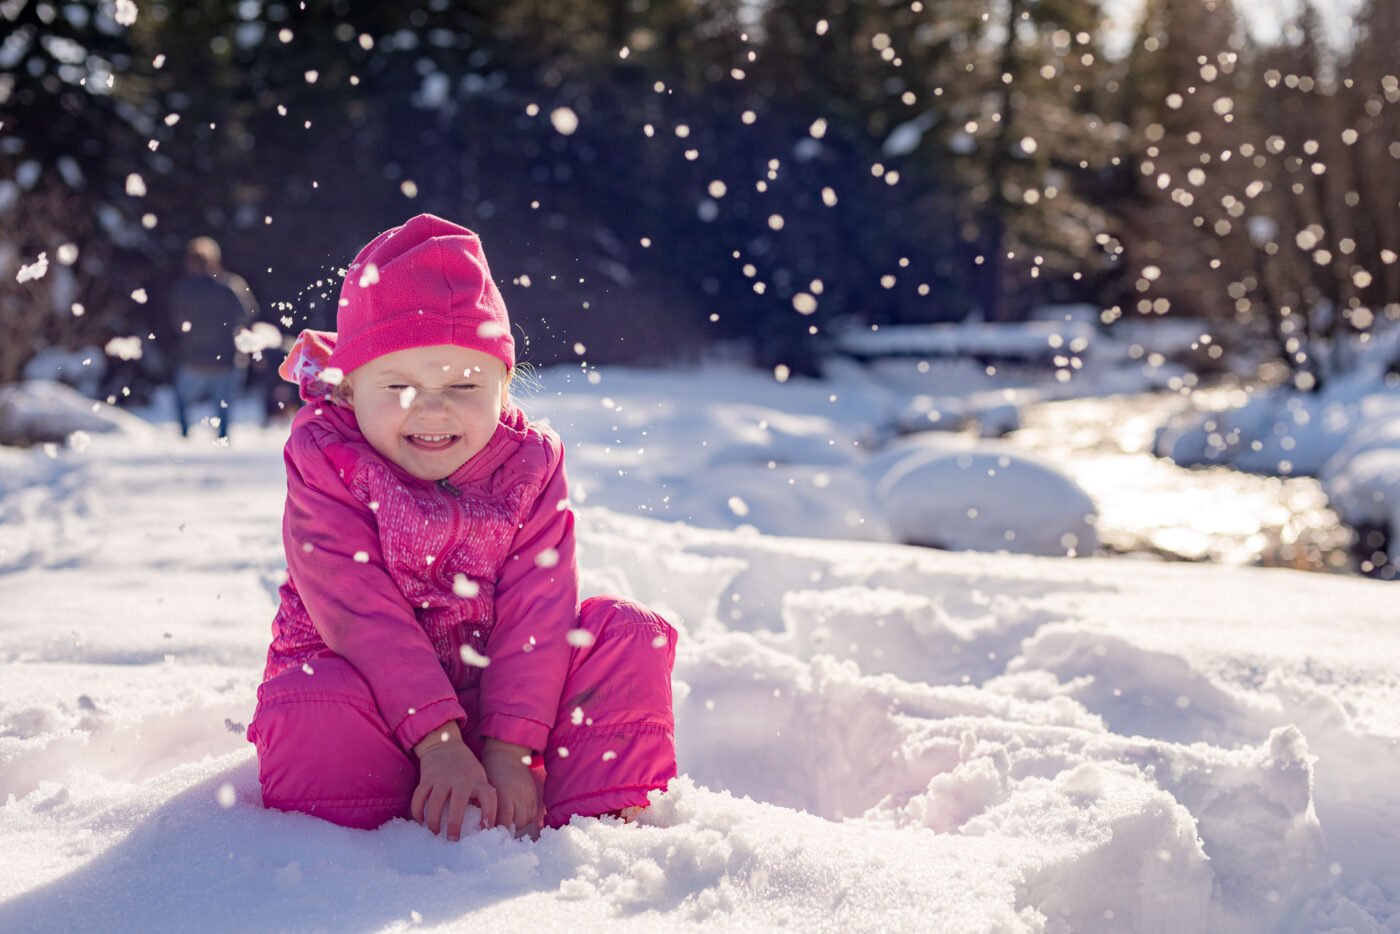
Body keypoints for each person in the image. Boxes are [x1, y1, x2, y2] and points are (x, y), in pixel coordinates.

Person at [246, 214, 678, 840]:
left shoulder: (530, 464)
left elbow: (539, 608)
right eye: (397, 384)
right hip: (370, 702)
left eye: (464, 383)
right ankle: (353, 848)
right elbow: (359, 612)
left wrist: (509, 748)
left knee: (626, 632)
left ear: (504, 386)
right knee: (312, 698)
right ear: (349, 389)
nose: (431, 406)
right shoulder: (327, 458)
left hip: (499, 705)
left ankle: (590, 829)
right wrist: (436, 739)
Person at [167, 236, 258, 439]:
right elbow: (249, 314)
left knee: (182, 400)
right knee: (224, 407)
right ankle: (223, 439)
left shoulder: (183, 290)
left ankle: (184, 437)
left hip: (193, 359)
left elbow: (177, 322)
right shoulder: (232, 285)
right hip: (227, 359)